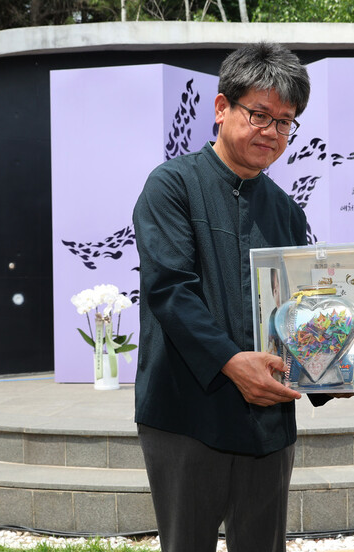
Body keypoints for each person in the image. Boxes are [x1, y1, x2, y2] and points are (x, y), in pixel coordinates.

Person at [132, 42, 310, 552]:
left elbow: (299, 311)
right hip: (186, 412)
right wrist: (231, 361)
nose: (271, 132)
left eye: (284, 121)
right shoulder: (172, 186)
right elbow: (170, 289)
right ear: (221, 108)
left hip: (267, 420)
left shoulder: (286, 212)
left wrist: (326, 370)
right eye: (259, 114)